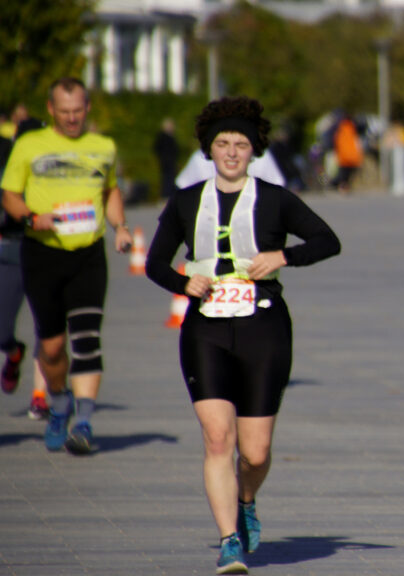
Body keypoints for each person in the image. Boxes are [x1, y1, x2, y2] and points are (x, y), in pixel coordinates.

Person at [145, 96, 340, 575]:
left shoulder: (274, 198)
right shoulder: (187, 201)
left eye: (240, 144)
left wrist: (284, 257)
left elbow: (327, 241)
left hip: (264, 327)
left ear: (254, 150)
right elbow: (153, 262)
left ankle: (246, 496)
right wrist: (181, 281)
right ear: (208, 150)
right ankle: (229, 539)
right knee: (217, 439)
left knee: (254, 452)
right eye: (222, 144)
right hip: (205, 328)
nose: (231, 152)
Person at [1, 77, 133, 454]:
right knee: (53, 347)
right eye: (65, 112)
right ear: (51, 110)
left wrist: (120, 227)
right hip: (42, 253)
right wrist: (30, 217)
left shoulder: (102, 146)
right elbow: (9, 194)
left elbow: (110, 190)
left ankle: (85, 422)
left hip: (88, 254)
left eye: (78, 112)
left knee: (87, 338)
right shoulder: (29, 145)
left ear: (87, 108)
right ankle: (59, 402)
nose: (72, 119)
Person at [0, 111, 49, 419]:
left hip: (46, 252)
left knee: (49, 329)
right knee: (2, 329)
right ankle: (13, 352)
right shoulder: (7, 168)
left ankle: (40, 396)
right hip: (11, 250)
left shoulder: (52, 173)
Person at [154, 117, 181, 198]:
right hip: (166, 161)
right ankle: (166, 195)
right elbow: (157, 148)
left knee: (170, 179)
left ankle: (169, 195)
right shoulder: (163, 137)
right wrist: (162, 157)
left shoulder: (170, 137)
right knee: (167, 179)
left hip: (170, 161)